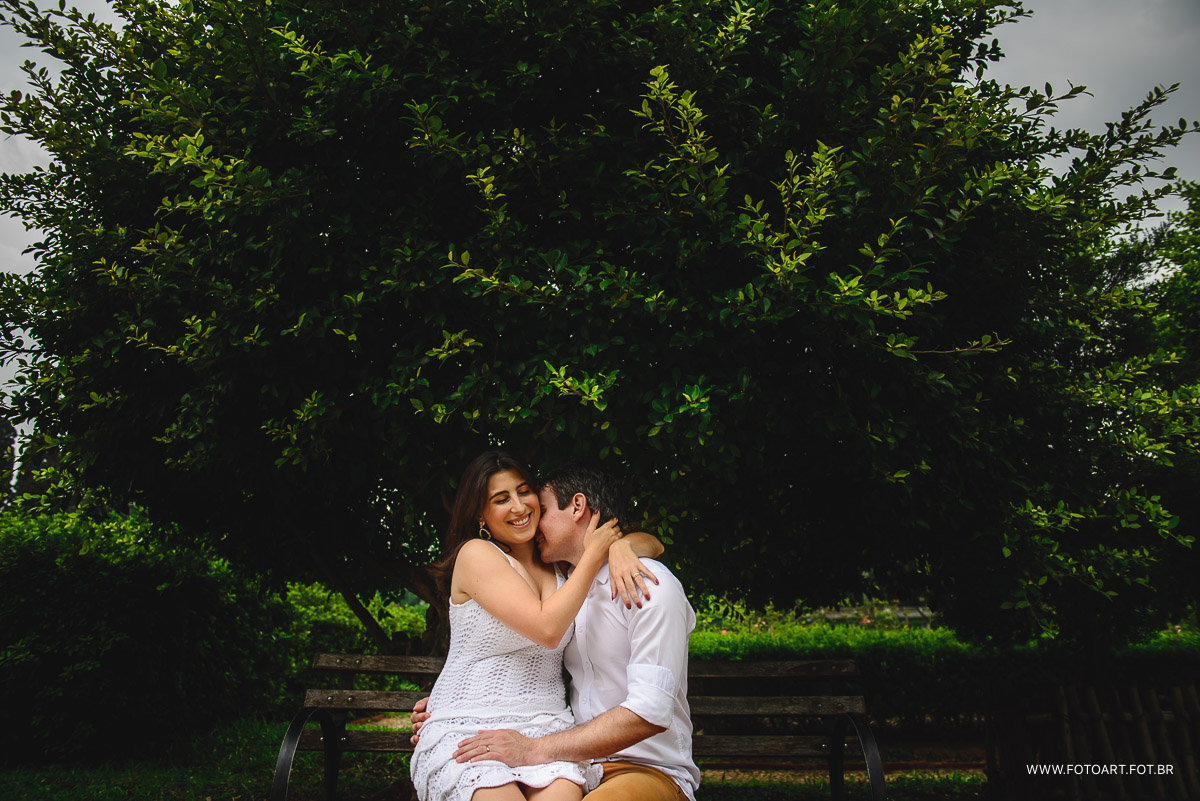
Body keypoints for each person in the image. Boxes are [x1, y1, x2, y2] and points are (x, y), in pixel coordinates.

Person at [416, 464, 700, 801]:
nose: (524, 511)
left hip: (636, 764)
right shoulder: (570, 580)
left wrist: (622, 546)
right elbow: (531, 638)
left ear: (577, 506)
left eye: (533, 499)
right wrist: (453, 702)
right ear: (480, 513)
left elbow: (648, 712)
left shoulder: (645, 586)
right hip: (556, 749)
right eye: (501, 499)